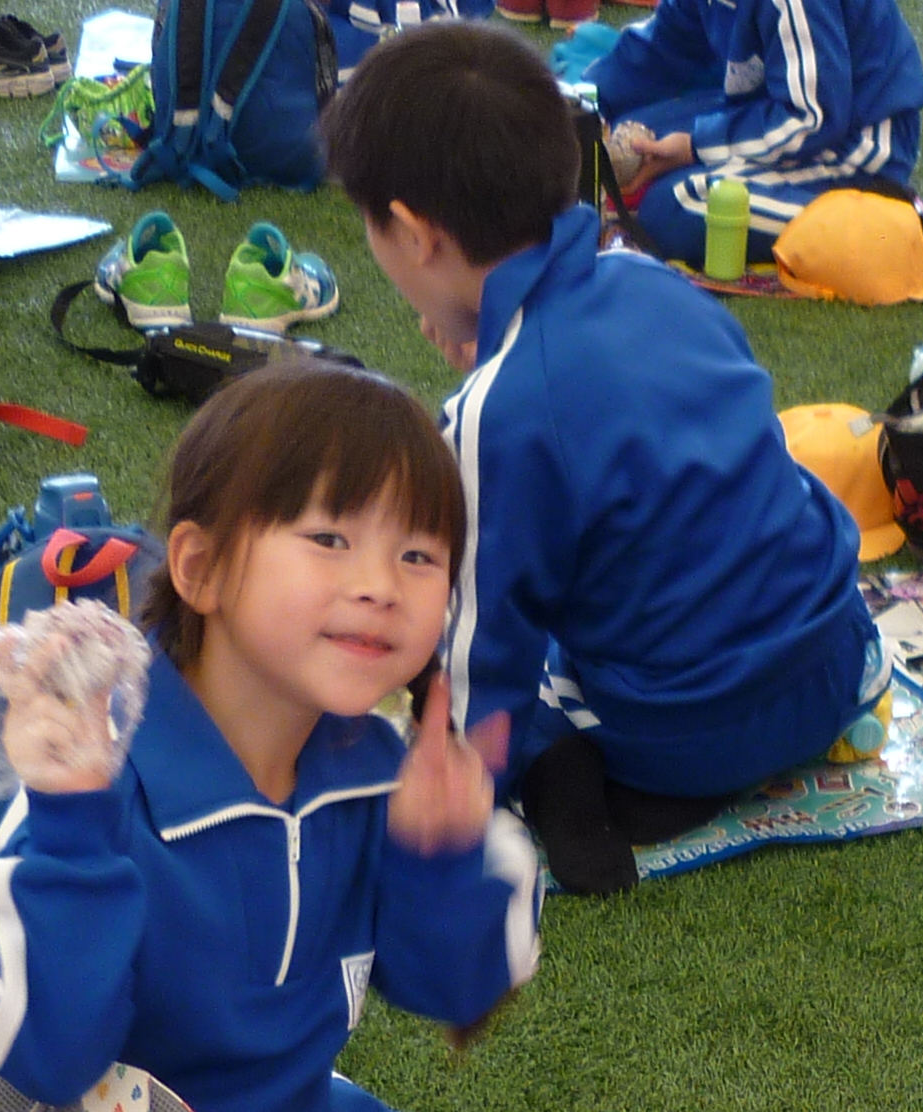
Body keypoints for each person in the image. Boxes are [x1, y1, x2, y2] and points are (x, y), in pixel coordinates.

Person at [0, 358, 594, 1112]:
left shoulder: (372, 769)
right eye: (329, 538)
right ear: (201, 568)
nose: (379, 586)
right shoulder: (92, 781)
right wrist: (74, 826)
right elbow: (45, 1062)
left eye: (419, 555)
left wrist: (438, 855)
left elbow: (450, 988)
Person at [318, 23, 885, 895]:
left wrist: (455, 785)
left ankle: (576, 790)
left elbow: (481, 649)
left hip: (690, 736)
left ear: (413, 232)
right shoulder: (658, 283)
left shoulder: (494, 411)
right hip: (836, 662)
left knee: (481, 658)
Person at [591, 0, 923, 272]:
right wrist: (579, 102)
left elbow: (813, 118)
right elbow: (662, 48)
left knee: (673, 207)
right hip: (775, 107)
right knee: (636, 129)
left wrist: (696, 146)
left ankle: (880, 228)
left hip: (852, 147)